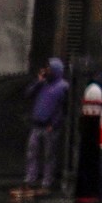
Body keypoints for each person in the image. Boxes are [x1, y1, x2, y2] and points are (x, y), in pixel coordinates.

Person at [24, 57, 69, 193]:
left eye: (49, 68)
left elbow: (63, 108)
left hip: (50, 126)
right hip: (37, 124)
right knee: (32, 153)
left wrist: (54, 123)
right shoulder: (43, 84)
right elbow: (28, 94)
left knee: (49, 155)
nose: (46, 71)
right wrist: (38, 81)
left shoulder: (63, 86)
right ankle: (31, 178)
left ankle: (47, 180)